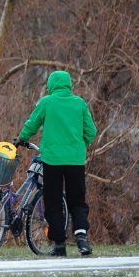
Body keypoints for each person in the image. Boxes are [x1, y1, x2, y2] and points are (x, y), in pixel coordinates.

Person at [18, 69, 97, 257]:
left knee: (53, 201)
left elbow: (32, 123)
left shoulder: (47, 102)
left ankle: (59, 244)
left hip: (52, 160)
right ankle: (81, 239)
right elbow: (91, 132)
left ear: (51, 86)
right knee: (77, 200)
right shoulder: (79, 104)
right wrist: (79, 146)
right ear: (69, 85)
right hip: (75, 161)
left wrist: (22, 138)